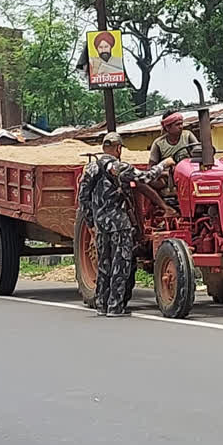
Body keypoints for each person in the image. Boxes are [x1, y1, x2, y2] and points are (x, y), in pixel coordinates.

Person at [78, 132, 171, 317]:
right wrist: (164, 165)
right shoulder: (120, 167)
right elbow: (145, 177)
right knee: (121, 265)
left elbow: (82, 199)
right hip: (120, 225)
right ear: (118, 148)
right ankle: (115, 307)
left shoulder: (89, 169)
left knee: (104, 265)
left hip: (100, 226)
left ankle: (102, 305)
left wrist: (91, 223)